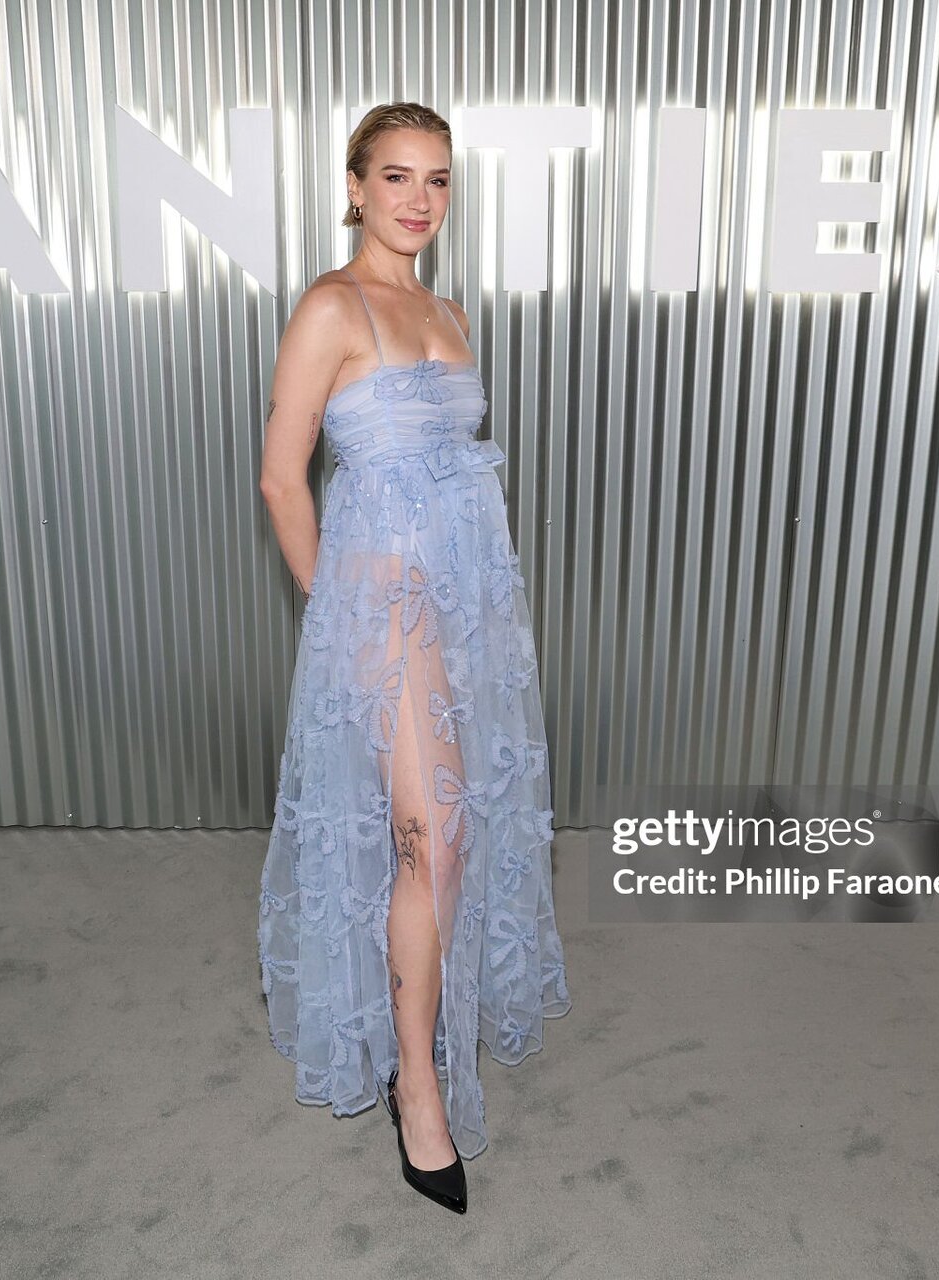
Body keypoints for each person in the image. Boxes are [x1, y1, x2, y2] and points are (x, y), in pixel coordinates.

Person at [256, 101, 570, 1215]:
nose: (419, 199)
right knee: (432, 834)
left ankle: (426, 1027)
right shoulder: (330, 307)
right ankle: (417, 1086)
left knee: (459, 828)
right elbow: (282, 478)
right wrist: (338, 605)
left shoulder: (447, 312)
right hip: (382, 601)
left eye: (437, 179)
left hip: (467, 599)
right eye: (396, 176)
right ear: (356, 188)